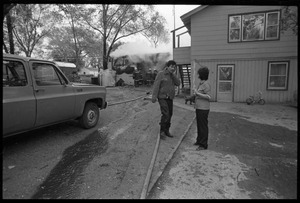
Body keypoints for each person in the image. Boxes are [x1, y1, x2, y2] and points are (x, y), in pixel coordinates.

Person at [152, 60, 180, 140]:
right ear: (167, 67)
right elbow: (156, 86)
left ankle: (167, 130)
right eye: (171, 67)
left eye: (174, 67)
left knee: (170, 114)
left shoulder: (172, 75)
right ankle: (162, 131)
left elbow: (178, 83)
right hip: (162, 97)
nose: (173, 68)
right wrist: (154, 97)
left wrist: (173, 75)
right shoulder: (161, 74)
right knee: (166, 114)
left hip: (170, 98)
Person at [193, 66, 211, 150]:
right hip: (199, 107)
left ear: (201, 75)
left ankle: (203, 144)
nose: (198, 76)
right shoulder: (201, 84)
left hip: (204, 108)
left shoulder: (206, 84)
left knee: (203, 126)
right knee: (199, 125)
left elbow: (209, 97)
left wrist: (197, 93)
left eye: (199, 74)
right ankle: (199, 140)